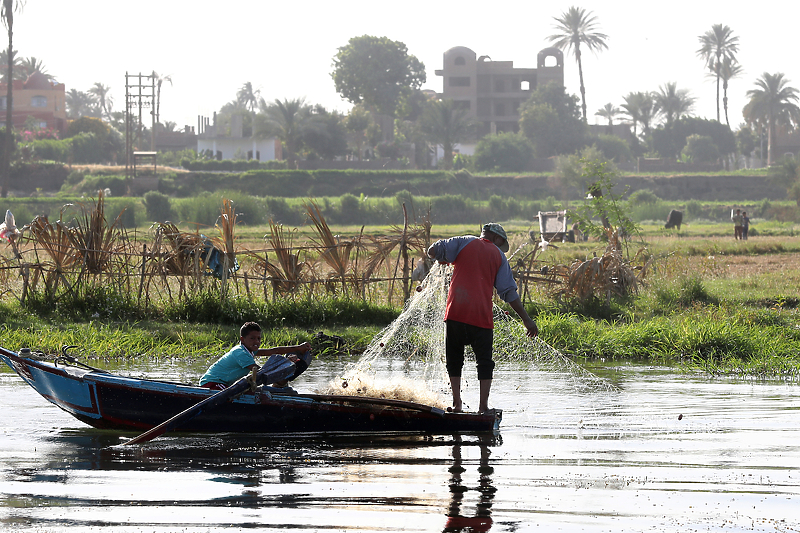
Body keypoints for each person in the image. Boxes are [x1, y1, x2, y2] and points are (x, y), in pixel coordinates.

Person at [427, 223, 538, 414]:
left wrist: (444, 254)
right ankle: (483, 407)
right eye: (500, 243)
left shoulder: (463, 242)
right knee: (485, 362)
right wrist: (526, 319)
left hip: (455, 313)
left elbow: (433, 251)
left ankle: (457, 404)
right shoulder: (498, 256)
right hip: (481, 317)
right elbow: (508, 292)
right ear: (495, 238)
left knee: (454, 360)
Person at [199, 322, 312, 390]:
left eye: (258, 338)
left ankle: (279, 387)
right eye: (252, 338)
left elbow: (274, 350)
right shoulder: (241, 353)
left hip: (221, 384)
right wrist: (285, 362)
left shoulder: (248, 350)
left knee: (252, 391)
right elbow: (260, 373)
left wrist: (298, 348)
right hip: (211, 384)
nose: (256, 342)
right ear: (242, 339)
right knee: (241, 394)